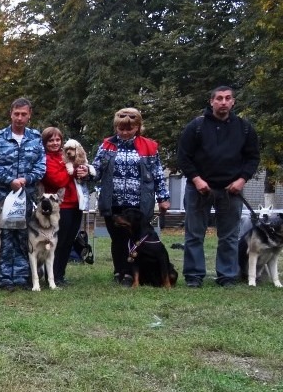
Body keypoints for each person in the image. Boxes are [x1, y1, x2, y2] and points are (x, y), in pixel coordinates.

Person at [177, 87, 260, 287]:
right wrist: (196, 179)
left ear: (233, 102)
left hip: (231, 190)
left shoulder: (245, 128)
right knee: (194, 235)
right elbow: (183, 156)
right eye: (219, 98)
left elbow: (252, 158)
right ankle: (194, 277)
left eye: (228, 98)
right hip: (199, 189)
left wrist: (242, 180)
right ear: (211, 101)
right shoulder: (196, 126)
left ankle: (227, 276)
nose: (223, 102)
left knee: (229, 237)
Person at [90, 108, 171, 286]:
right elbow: (97, 170)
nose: (125, 132)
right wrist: (86, 171)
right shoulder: (106, 145)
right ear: (116, 127)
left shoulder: (150, 146)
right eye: (121, 129)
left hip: (139, 204)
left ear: (138, 127)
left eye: (129, 129)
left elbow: (157, 174)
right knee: (117, 239)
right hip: (113, 201)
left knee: (138, 239)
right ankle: (120, 272)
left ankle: (136, 274)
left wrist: (163, 198)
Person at [0, 98, 46, 289]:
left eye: (23, 114)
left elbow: (41, 166)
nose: (19, 118)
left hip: (25, 197)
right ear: (11, 114)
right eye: (16, 114)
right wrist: (9, 180)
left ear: (29, 115)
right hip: (2, 198)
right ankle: (2, 278)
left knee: (23, 236)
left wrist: (25, 179)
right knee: (2, 237)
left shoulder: (35, 138)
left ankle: (22, 277)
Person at [38, 127, 89, 287]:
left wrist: (81, 170)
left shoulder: (66, 155)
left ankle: (60, 274)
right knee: (57, 243)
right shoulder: (45, 159)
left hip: (76, 203)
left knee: (68, 241)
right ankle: (51, 276)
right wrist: (72, 171)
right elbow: (58, 181)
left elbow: (81, 168)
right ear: (45, 143)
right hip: (59, 206)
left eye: (58, 140)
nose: (55, 143)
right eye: (50, 140)